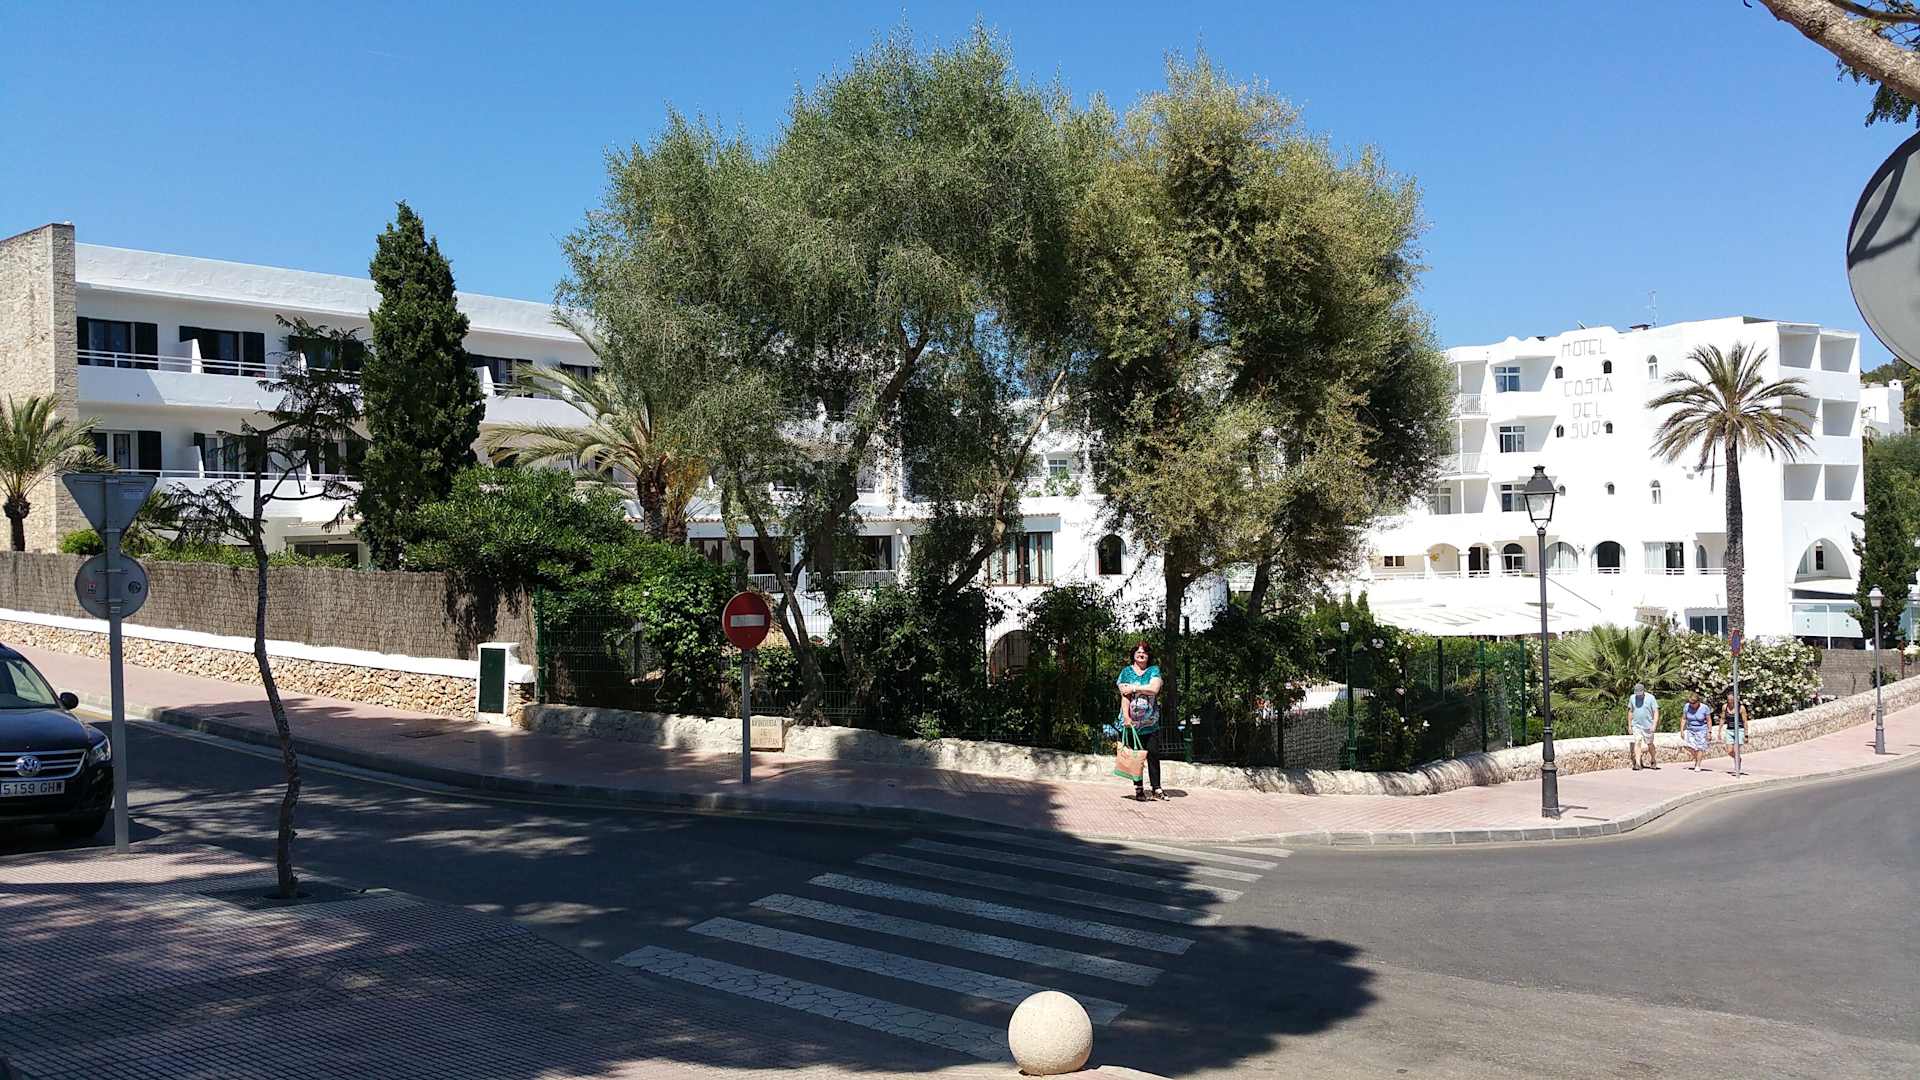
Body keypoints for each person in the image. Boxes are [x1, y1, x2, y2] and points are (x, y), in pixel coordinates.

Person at [1117, 641, 1165, 801]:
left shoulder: (1153, 670)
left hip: (1150, 722)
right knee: (1135, 757)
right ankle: (1138, 789)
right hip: (1132, 723)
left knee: (1153, 753)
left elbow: (1154, 689)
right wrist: (1126, 717)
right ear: (1133, 655)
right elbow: (1125, 696)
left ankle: (1156, 788)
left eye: (1144, 652)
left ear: (1148, 655)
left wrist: (1134, 688)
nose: (1141, 654)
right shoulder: (1126, 672)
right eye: (1138, 652)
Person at [1626, 682, 1660, 770]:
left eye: (1640, 693)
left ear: (1643, 691)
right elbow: (1630, 711)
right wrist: (1629, 725)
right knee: (1637, 741)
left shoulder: (1651, 698)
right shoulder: (1632, 698)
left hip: (1648, 725)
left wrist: (1654, 724)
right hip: (1636, 725)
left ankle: (1653, 759)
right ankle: (1638, 764)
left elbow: (1656, 712)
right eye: (1637, 693)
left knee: (1649, 744)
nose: (1638, 695)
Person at [1680, 690, 1711, 769]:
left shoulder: (1704, 708)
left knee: (1700, 747)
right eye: (1690, 703)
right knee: (1690, 746)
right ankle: (1697, 759)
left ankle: (1698, 765)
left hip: (1701, 729)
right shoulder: (1687, 706)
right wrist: (1682, 730)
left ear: (1698, 702)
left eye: (1693, 703)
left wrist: (1709, 732)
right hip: (1690, 729)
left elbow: (1708, 720)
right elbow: (1684, 718)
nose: (1691, 704)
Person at [1720, 690, 1749, 763]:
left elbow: (1745, 721)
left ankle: (1737, 767)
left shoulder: (1741, 708)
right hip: (1729, 730)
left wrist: (1746, 735)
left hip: (1739, 730)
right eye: (1728, 699)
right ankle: (1738, 759)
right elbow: (1722, 718)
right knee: (1729, 751)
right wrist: (1719, 731)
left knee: (1736, 750)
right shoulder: (1725, 707)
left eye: (1731, 699)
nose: (1730, 701)